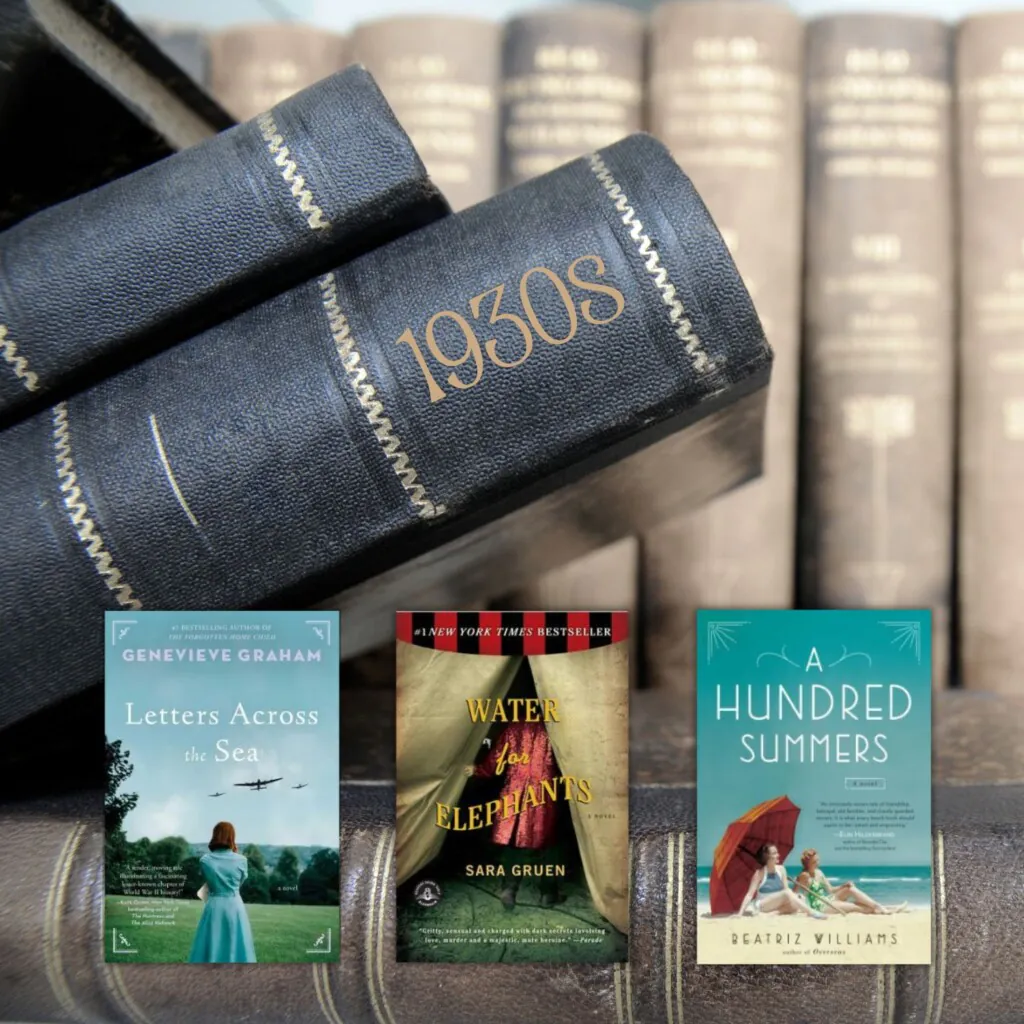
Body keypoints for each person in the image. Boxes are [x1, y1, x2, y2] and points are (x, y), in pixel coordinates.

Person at [464, 719, 563, 910]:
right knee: (549, 843)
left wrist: (478, 770)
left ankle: (509, 890)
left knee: (513, 841)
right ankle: (548, 894)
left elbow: (496, 759)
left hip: (514, 789)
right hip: (544, 791)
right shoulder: (555, 728)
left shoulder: (514, 727)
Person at [188, 821, 257, 963]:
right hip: (234, 904)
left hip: (215, 905)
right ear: (232, 837)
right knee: (236, 943)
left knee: (213, 942)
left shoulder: (205, 860)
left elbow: (209, 882)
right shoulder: (242, 860)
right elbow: (239, 883)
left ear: (215, 836)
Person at [794, 849, 906, 915]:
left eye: (817, 860)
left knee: (849, 889)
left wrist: (843, 885)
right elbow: (792, 895)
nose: (817, 863)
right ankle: (888, 908)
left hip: (828, 899)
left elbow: (831, 890)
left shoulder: (819, 872)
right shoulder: (803, 876)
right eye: (814, 862)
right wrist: (797, 885)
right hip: (820, 907)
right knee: (855, 906)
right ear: (807, 863)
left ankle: (878, 906)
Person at [736, 843, 826, 919]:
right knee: (788, 894)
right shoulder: (759, 873)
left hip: (778, 903)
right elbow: (749, 894)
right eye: (775, 853)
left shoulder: (781, 869)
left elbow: (787, 891)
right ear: (767, 857)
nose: (778, 855)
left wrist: (796, 896)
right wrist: (740, 913)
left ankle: (772, 914)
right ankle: (811, 912)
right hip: (763, 904)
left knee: (799, 900)